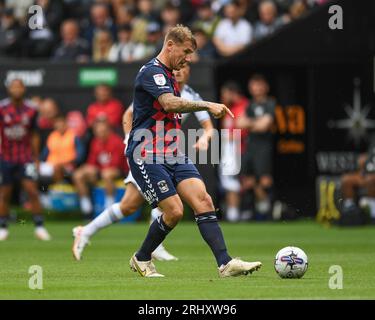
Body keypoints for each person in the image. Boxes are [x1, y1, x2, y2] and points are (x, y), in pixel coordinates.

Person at [126, 24, 261, 277]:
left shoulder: (171, 75)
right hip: (146, 153)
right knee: (175, 211)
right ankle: (142, 258)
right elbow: (168, 104)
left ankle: (225, 263)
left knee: (204, 200)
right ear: (169, 45)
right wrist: (207, 105)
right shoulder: (151, 72)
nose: (188, 59)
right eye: (186, 52)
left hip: (173, 151)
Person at [72, 62, 214, 262]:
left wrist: (205, 138)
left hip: (165, 153)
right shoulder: (159, 86)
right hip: (146, 151)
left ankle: (86, 231)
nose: (180, 71)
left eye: (185, 67)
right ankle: (146, 247)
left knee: (132, 204)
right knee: (141, 204)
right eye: (178, 67)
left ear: (190, 71)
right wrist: (129, 139)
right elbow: (128, 114)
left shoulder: (191, 95)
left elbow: (208, 126)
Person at [0, 79, 51, 241]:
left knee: (32, 191)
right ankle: (2, 228)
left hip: (25, 157)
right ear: (9, 89)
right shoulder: (2, 108)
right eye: (13, 87)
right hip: (6, 157)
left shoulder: (31, 109)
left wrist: (36, 157)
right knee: (4, 193)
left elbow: (35, 134)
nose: (16, 89)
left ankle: (39, 226)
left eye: (19, 86)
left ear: (24, 89)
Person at [237, 74, 275, 219]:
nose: (257, 88)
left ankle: (270, 212)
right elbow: (239, 123)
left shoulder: (270, 103)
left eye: (259, 85)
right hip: (249, 147)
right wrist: (256, 123)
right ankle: (251, 212)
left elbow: (264, 126)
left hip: (264, 147)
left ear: (265, 87)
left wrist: (250, 123)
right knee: (248, 181)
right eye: (254, 85)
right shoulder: (249, 105)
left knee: (264, 180)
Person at [72, 120, 125, 218]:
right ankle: (86, 209)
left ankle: (109, 208)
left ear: (108, 130)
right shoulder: (95, 142)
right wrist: (89, 171)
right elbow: (91, 162)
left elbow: (115, 164)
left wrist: (96, 170)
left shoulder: (117, 141)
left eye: (102, 131)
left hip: (119, 170)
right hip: (100, 170)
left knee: (106, 174)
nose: (100, 133)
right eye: (97, 131)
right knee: (78, 175)